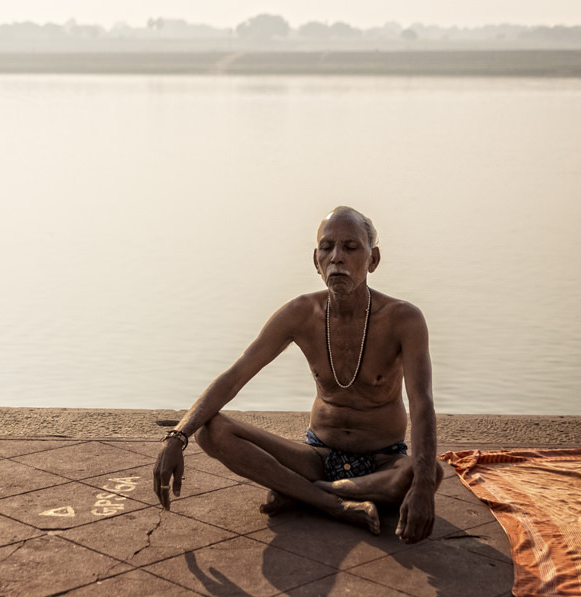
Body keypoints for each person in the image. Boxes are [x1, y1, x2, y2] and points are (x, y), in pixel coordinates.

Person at [152, 206, 441, 542]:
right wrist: (178, 436)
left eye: (350, 248)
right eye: (326, 247)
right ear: (315, 260)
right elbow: (235, 376)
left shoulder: (403, 318)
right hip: (317, 455)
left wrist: (421, 488)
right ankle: (333, 503)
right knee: (210, 430)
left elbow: (422, 405)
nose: (336, 258)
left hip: (383, 463)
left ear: (373, 259)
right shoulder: (300, 313)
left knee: (427, 472)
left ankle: (303, 493)